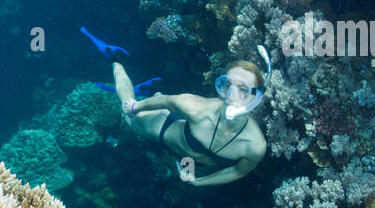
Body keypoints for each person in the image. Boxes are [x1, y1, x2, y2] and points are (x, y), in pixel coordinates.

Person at [112, 47, 271, 186]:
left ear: (257, 97)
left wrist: (199, 182)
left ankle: (153, 89)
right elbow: (167, 101)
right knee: (129, 117)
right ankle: (115, 62)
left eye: (243, 89)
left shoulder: (255, 146)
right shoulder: (196, 108)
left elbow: (239, 171)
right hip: (165, 127)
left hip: (192, 163)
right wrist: (136, 106)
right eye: (228, 85)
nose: (231, 95)